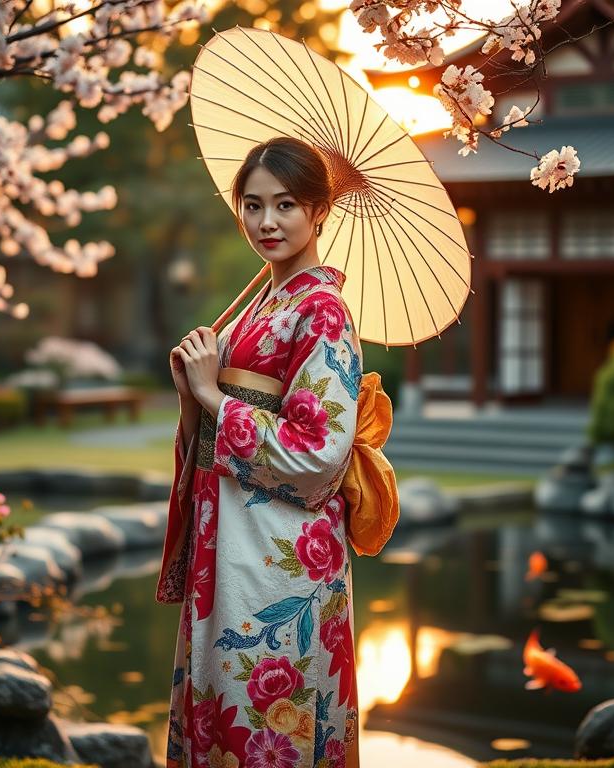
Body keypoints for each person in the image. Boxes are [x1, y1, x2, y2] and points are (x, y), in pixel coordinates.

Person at [158, 136, 362, 768]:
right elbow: (217, 431)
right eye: (252, 205)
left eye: (286, 205)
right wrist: (192, 397)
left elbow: (320, 457)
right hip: (232, 546)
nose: (266, 222)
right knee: (222, 708)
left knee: (270, 724)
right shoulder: (261, 309)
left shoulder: (323, 314)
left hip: (280, 562)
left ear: (319, 211)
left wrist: (216, 400)